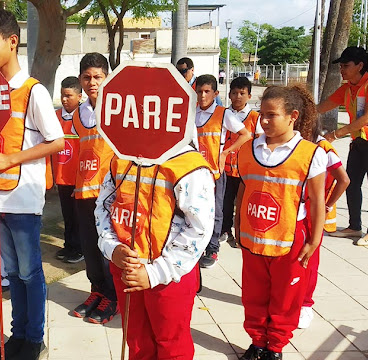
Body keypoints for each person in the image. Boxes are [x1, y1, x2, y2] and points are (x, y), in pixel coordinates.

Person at [0, 9, 64, 360]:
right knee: (11, 273)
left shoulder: (32, 92)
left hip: (24, 198)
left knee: (29, 272)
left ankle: (33, 338)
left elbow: (57, 141)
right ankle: (16, 336)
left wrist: (12, 160)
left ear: (13, 41)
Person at [95, 142, 215, 359]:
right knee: (137, 340)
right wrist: (111, 247)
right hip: (126, 269)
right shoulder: (120, 157)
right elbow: (103, 206)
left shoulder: (189, 165)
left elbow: (200, 228)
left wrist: (154, 273)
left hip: (169, 277)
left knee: (171, 345)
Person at [236, 85, 326, 360]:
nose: (264, 121)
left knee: (285, 300)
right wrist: (237, 223)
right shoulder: (249, 149)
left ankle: (275, 347)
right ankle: (257, 342)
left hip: (290, 240)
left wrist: (314, 241)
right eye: (261, 114)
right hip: (252, 238)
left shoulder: (311, 153)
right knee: (254, 296)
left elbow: (318, 201)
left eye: (271, 115)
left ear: (292, 116)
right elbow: (242, 189)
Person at [317, 46, 368, 246]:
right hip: (358, 142)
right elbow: (324, 106)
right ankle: (354, 226)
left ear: (360, 65)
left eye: (345, 66)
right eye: (340, 66)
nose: (342, 70)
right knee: (350, 183)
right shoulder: (348, 87)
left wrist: (335, 134)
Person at [71, 52, 119, 325]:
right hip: (83, 189)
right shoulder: (78, 113)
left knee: (108, 245)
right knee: (89, 246)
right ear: (81, 80)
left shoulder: (117, 109)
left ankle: (112, 296)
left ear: (107, 78)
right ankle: (97, 290)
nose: (92, 83)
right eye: (87, 78)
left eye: (98, 77)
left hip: (109, 192)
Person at [296, 119, 350, 329]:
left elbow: (344, 179)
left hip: (313, 210)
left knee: (310, 256)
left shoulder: (322, 147)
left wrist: (327, 204)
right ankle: (291, 298)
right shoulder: (293, 144)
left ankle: (306, 304)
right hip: (295, 210)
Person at [194, 74, 251, 268]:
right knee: (195, 210)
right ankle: (197, 245)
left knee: (216, 211)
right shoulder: (191, 113)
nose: (202, 96)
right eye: (199, 91)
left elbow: (245, 134)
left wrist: (225, 152)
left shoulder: (223, 113)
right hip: (194, 173)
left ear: (215, 93)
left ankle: (212, 248)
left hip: (215, 173)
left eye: (207, 92)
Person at [220, 76, 260, 247]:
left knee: (244, 203)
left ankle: (241, 232)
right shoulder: (222, 114)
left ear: (249, 96)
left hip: (245, 169)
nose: (238, 96)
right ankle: (225, 230)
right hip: (225, 167)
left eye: (242, 93)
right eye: (234, 93)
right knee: (225, 202)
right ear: (229, 95)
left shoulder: (255, 117)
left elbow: (259, 139)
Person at [53, 76, 84, 264]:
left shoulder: (85, 116)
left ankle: (80, 249)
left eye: (68, 96)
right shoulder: (55, 116)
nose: (64, 99)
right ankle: (69, 246)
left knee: (78, 216)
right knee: (67, 215)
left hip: (78, 177)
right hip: (61, 176)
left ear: (79, 96)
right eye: (62, 95)